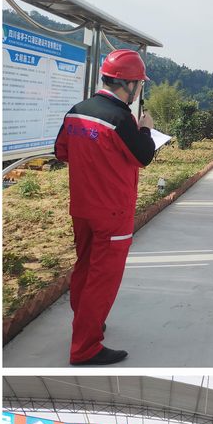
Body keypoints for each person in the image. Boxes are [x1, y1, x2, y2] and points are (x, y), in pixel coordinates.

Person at [54, 49, 155, 365]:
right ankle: (85, 347)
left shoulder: (77, 111)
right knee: (103, 278)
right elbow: (143, 156)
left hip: (82, 207)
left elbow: (62, 151)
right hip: (112, 212)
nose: (139, 89)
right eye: (139, 84)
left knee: (85, 267)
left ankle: (86, 322)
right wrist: (146, 129)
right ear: (129, 84)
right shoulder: (121, 118)